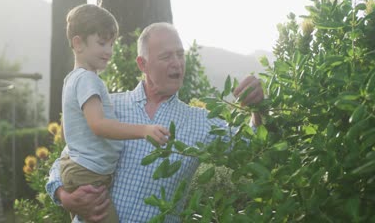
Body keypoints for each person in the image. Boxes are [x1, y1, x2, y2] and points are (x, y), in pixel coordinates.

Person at [46, 22, 264, 222]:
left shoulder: (200, 122)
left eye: (180, 54)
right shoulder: (106, 108)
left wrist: (257, 109)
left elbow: (254, 144)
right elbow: (67, 158)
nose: (177, 63)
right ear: (143, 64)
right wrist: (63, 196)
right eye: (166, 56)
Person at [58, 5, 170, 223]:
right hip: (90, 174)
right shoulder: (87, 79)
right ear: (78, 43)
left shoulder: (72, 80)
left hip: (82, 171)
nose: (109, 51)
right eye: (101, 43)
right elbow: (98, 125)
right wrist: (144, 130)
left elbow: (65, 134)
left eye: (111, 43)